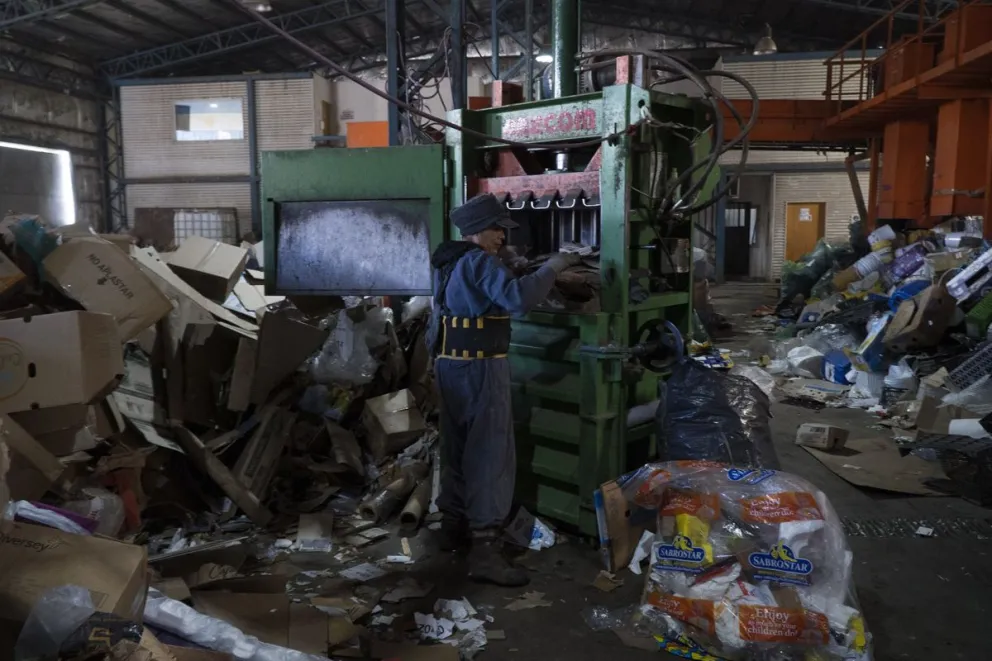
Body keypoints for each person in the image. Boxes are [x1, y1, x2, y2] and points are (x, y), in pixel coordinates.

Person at [427, 193, 580, 586]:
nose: (502, 237)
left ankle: (452, 528)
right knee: (491, 453)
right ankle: (486, 552)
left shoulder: (448, 259)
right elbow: (518, 299)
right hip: (481, 369)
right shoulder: (479, 262)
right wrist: (552, 267)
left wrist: (509, 268)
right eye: (498, 229)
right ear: (480, 230)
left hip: (448, 364)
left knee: (457, 449)